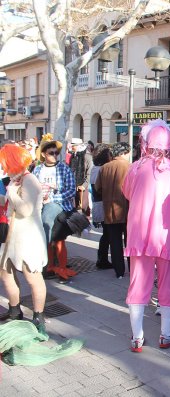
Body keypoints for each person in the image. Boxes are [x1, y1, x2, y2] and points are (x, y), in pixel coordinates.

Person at [123, 120, 170, 353]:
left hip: (138, 236)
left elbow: (127, 193)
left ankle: (137, 338)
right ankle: (166, 335)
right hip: (168, 236)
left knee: (137, 285)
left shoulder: (134, 168)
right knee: (167, 287)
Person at [0, 144, 48, 336]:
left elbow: (26, 209)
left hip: (28, 238)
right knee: (6, 273)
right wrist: (5, 196)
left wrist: (10, 193)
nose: (3, 166)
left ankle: (38, 317)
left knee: (32, 277)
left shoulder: (30, 181)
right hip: (12, 237)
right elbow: (9, 204)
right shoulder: (15, 180)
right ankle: (14, 311)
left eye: (5, 162)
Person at [33, 136, 77, 281]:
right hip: (39, 205)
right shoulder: (38, 169)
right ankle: (49, 265)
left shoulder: (63, 168)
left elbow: (71, 190)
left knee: (48, 228)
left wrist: (52, 197)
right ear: (44, 154)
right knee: (50, 235)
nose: (54, 155)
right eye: (51, 153)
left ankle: (47, 264)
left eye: (56, 153)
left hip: (58, 205)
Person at [95, 143, 131, 279]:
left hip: (110, 209)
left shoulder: (104, 168)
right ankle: (133, 268)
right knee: (130, 241)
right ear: (125, 153)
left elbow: (98, 188)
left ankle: (119, 271)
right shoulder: (130, 167)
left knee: (115, 242)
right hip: (128, 210)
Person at [90, 143, 112, 269]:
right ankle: (102, 259)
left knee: (107, 233)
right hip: (102, 203)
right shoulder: (100, 169)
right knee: (107, 233)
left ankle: (102, 258)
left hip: (99, 203)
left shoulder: (96, 168)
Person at [69, 138, 92, 213]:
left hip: (83, 187)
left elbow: (90, 173)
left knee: (82, 208)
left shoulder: (87, 156)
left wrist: (84, 185)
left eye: (73, 146)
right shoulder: (73, 156)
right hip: (73, 186)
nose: (72, 147)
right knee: (74, 209)